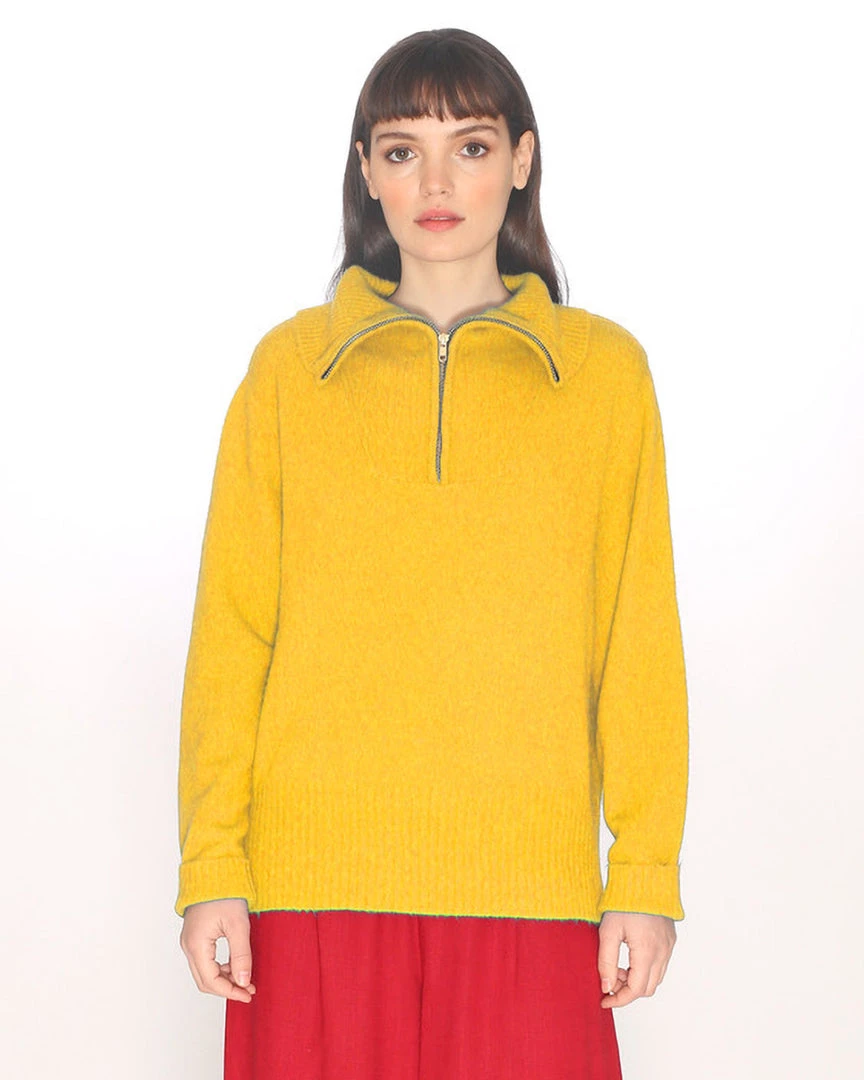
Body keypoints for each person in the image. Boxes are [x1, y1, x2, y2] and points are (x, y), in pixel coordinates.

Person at [176, 27, 689, 1080]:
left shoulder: (603, 377)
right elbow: (232, 633)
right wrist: (211, 864)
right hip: (310, 892)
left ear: (523, 160)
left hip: (532, 891)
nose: (438, 182)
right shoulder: (290, 372)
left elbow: (636, 636)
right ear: (367, 172)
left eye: (473, 145)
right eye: (404, 150)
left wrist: (644, 872)